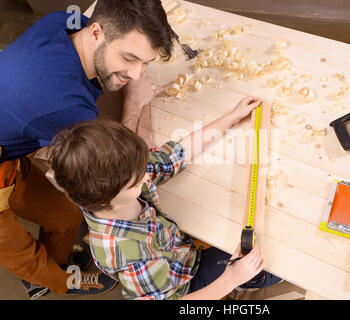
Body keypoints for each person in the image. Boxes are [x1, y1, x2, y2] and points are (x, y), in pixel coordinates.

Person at [0, 0, 174, 296]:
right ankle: (60, 283)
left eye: (145, 63)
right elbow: (120, 164)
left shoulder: (64, 22)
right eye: (129, 58)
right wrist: (135, 99)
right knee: (21, 255)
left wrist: (124, 70)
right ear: (96, 33)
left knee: (64, 216)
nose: (137, 74)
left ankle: (60, 262)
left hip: (9, 149)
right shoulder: (65, 107)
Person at [49, 96, 283, 299]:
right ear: (109, 198)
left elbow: (174, 156)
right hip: (185, 284)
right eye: (137, 180)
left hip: (179, 251)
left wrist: (232, 117)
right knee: (272, 264)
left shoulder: (123, 177)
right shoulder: (128, 257)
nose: (145, 174)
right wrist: (231, 280)